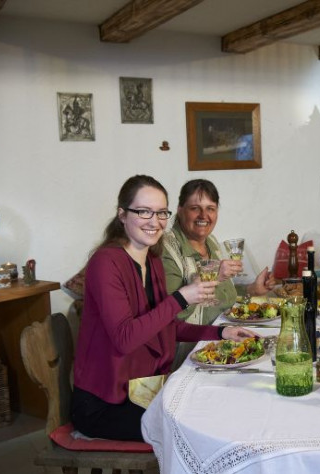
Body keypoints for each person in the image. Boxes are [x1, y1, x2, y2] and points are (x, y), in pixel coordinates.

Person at [72, 175, 258, 441]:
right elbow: (125, 339)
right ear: (122, 215)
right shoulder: (106, 262)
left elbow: (166, 326)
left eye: (161, 212)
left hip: (144, 389)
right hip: (106, 404)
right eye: (144, 211)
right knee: (205, 425)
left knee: (225, 402)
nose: (155, 221)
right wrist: (181, 298)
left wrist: (221, 333)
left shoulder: (152, 260)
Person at [163, 179, 276, 368]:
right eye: (195, 208)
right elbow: (171, 316)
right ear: (180, 210)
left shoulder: (211, 243)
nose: (204, 215)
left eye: (211, 209)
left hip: (225, 340)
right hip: (190, 352)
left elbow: (222, 295)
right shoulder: (167, 250)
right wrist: (213, 275)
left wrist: (252, 290)